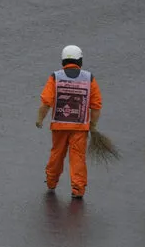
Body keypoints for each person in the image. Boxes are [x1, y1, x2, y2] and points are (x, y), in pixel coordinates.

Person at [35, 45, 103, 199]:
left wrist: (40, 119)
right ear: (80, 60)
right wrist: (93, 126)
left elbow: (46, 102)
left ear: (63, 61)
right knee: (77, 157)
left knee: (57, 154)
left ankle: (51, 182)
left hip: (59, 126)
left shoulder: (55, 77)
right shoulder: (89, 78)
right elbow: (96, 106)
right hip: (80, 128)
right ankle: (78, 189)